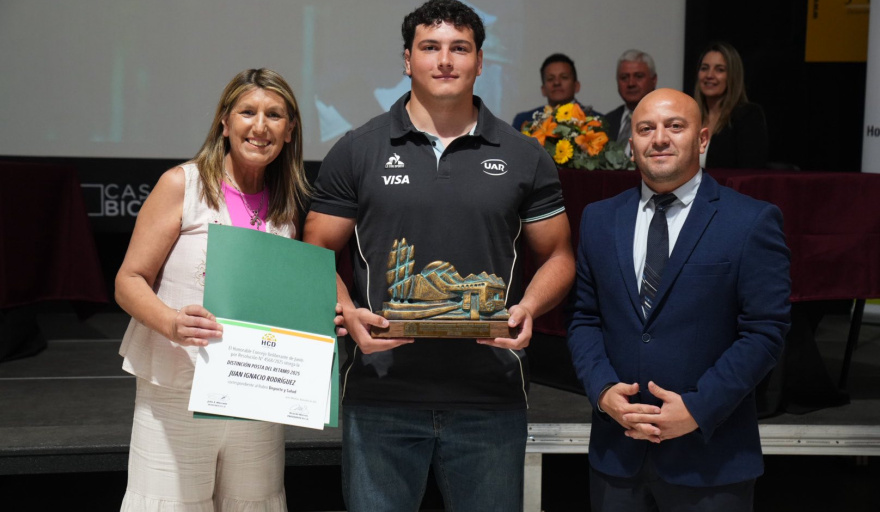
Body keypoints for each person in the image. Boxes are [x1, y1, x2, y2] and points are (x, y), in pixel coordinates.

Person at [303, 1, 575, 510]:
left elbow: (559, 256)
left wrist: (529, 307)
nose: (445, 60)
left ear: (479, 61)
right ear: (408, 60)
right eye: (430, 47)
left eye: (460, 48)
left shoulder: (524, 155)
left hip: (490, 396)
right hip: (381, 393)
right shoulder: (357, 149)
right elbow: (315, 249)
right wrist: (346, 311)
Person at [567, 88, 790, 511]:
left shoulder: (750, 221)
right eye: (645, 128)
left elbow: (765, 333)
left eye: (675, 126)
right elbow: (584, 318)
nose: (659, 138)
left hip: (711, 461)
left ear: (702, 139)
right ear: (631, 143)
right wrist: (602, 390)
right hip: (618, 458)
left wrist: (697, 408)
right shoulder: (599, 219)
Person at [115, 68, 311, 511]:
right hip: (178, 386)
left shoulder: (288, 203)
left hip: (258, 390)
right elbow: (128, 281)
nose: (260, 126)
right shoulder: (182, 185)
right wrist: (171, 322)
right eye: (247, 112)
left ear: (290, 130)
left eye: (274, 115)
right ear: (224, 122)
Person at [694, 41, 769, 168]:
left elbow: (751, 170)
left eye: (720, 70)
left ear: (732, 76)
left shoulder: (747, 115)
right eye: (704, 68)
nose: (709, 75)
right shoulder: (689, 117)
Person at [512, 53, 599, 131]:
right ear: (543, 89)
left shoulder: (596, 120)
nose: (556, 83)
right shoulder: (524, 121)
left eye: (564, 77)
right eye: (550, 79)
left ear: (576, 86)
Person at [605, 49, 658, 156]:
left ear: (653, 80)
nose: (631, 83)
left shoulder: (666, 120)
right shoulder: (607, 120)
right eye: (624, 78)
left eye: (638, 76)